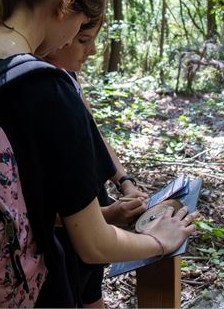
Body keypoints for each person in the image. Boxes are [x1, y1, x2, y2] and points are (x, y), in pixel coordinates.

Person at [0, 0, 197, 307]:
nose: (79, 44)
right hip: (19, 290)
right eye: (81, 28)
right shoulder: (46, 87)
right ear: (67, 4)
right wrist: (161, 240)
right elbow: (93, 244)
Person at [45, 25, 150, 307]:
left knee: (91, 293)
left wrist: (124, 181)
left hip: (91, 209)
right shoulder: (36, 91)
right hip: (62, 239)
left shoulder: (68, 76)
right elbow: (28, 205)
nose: (91, 50)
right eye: (82, 40)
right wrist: (107, 215)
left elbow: (94, 134)